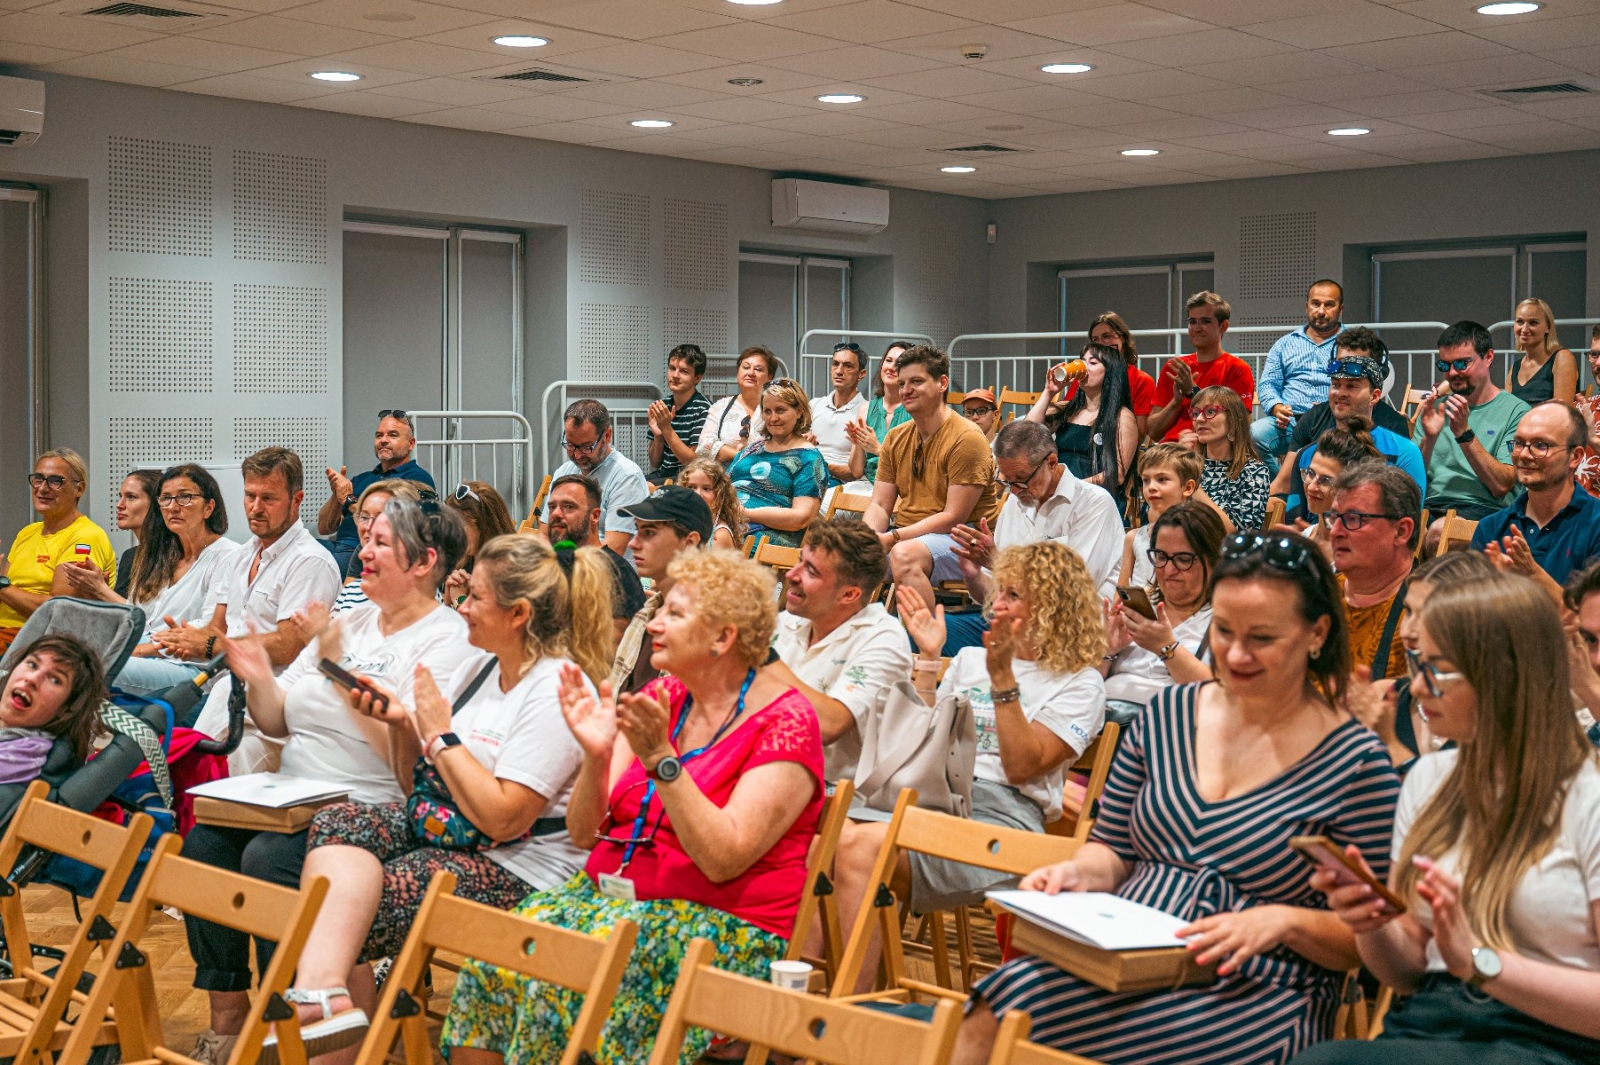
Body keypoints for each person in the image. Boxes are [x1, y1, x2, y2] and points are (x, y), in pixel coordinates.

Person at [949, 529, 1401, 1065]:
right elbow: (1111, 848)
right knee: (1004, 996)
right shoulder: (1168, 716)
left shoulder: (1354, 761)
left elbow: (1369, 937)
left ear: (1316, 634)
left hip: (1256, 985)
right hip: (1128, 956)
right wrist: (1080, 873)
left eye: (1261, 639)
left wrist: (1287, 921)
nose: (1235, 655)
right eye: (1225, 632)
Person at [441, 550, 823, 1065]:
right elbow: (583, 835)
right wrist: (596, 759)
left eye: (674, 614)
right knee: (496, 959)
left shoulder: (787, 721)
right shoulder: (664, 693)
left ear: (723, 637)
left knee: (566, 977)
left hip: (717, 927)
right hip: (611, 900)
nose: (656, 623)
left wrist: (663, 761)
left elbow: (723, 857)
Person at [269, 535, 615, 1059]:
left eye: (475, 597)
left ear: (518, 613)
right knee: (342, 822)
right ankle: (324, 993)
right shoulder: (481, 667)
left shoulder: (555, 688)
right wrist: (403, 728)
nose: (462, 607)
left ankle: (342, 1040)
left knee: (353, 908)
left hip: (522, 865)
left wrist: (438, 737)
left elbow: (503, 820)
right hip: (458, 829)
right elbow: (419, 788)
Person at [185, 496, 476, 1064]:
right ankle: (230, 1016)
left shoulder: (447, 640)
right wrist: (258, 675)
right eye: (366, 537)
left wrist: (339, 667)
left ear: (423, 563)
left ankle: (300, 1022)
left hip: (372, 806)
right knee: (204, 844)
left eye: (380, 543)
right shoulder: (349, 621)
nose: (362, 550)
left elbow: (410, 749)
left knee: (268, 859)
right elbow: (277, 718)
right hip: (292, 795)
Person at [1294, 573, 1600, 1065]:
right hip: (1436, 1022)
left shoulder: (1589, 795)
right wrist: (1371, 923)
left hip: (1552, 1041)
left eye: (1437, 670)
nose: (1417, 686)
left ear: (1502, 675)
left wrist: (1480, 963)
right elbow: (1409, 969)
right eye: (1419, 665)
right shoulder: (1430, 778)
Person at [832, 541, 1106, 992]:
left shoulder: (1080, 681)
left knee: (859, 849)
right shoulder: (969, 659)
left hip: (1006, 821)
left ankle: (839, 1023)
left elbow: (1022, 768)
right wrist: (927, 657)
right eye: (998, 591)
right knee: (822, 836)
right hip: (937, 798)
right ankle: (816, 1003)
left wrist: (1003, 681)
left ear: (1053, 604)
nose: (995, 603)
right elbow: (921, 742)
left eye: (1013, 595)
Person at [187, 449, 342, 756]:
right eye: (249, 496)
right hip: (221, 686)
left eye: (268, 498)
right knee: (149, 723)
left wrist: (209, 646)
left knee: (178, 747)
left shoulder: (310, 561)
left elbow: (288, 645)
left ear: (296, 501)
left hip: (270, 703)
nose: (255, 508)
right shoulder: (243, 555)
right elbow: (221, 629)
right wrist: (183, 638)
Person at [768, 517, 910, 782]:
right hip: (764, 767)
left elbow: (829, 724)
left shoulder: (883, 638)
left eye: (810, 571)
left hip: (835, 792)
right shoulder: (787, 622)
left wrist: (759, 657)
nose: (791, 574)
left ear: (849, 595)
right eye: (799, 560)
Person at [863, 345, 1003, 610]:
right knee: (842, 556)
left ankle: (925, 645)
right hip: (909, 534)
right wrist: (867, 539)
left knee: (904, 555)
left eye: (917, 381)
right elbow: (880, 505)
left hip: (964, 540)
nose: (906, 390)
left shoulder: (967, 438)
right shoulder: (896, 437)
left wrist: (893, 539)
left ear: (942, 383)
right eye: (902, 383)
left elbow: (953, 517)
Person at [84, 465, 240, 695]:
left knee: (94, 667)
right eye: (166, 499)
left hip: (191, 668)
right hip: (148, 656)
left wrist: (134, 650)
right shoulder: (160, 555)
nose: (173, 507)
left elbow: (210, 630)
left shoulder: (228, 555)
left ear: (209, 507)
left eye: (185, 497)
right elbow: (138, 616)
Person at [1346, 551, 1495, 773]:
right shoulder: (1381, 697)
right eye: (1408, 611)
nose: (1407, 631)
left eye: (1426, 614)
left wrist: (1392, 746)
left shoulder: (1495, 715)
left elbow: (1447, 802)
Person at [1271, 330, 1426, 515]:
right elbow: (1297, 520)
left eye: (1352, 386)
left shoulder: (1404, 452)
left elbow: (1408, 522)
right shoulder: (1308, 454)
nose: (1340, 393)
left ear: (1374, 396)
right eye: (1335, 384)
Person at [1101, 502, 1223, 715]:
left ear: (1213, 560)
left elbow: (1223, 698)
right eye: (1161, 557)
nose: (1168, 570)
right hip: (1103, 720)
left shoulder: (1226, 619)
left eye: (1183, 559)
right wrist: (1107, 651)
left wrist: (1166, 648)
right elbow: (1084, 689)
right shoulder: (1137, 607)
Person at [1471, 400, 1600, 594]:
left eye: (1541, 445)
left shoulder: (1595, 524)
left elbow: (1590, 620)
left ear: (1575, 457)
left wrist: (1533, 575)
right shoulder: (1490, 528)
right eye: (1519, 443)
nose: (1524, 454)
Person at [0, 449, 116, 652]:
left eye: (55, 481)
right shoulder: (27, 533)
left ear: (79, 488)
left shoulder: (85, 536)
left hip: (39, 641)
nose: (43, 489)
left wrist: (3, 588)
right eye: (38, 479)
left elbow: (57, 610)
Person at [1414, 320, 1530, 523]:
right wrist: (1429, 439)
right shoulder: (1434, 411)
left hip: (1486, 510)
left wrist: (1464, 433)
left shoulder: (1517, 412)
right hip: (1430, 506)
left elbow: (1501, 486)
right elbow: (1410, 482)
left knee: (1438, 533)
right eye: (1444, 365)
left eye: (1461, 363)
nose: (1451, 373)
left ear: (1488, 357)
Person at [607, 486, 713, 694]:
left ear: (690, 542)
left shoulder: (708, 624)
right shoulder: (646, 612)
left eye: (648, 533)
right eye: (637, 531)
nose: (633, 544)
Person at [0, 634, 110, 825]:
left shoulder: (28, 752)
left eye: (55, 680)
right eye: (33, 664)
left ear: (67, 708)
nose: (32, 679)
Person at [1327, 463, 1421, 684]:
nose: (1335, 532)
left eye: (1353, 519)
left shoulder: (1427, 614)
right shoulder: (1317, 594)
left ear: (1401, 531)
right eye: (1333, 517)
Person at [318, 411, 435, 576]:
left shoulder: (417, 478)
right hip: (336, 546)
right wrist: (336, 495)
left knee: (306, 565)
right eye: (379, 435)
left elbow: (394, 524)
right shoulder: (361, 479)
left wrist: (348, 499)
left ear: (411, 444)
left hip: (366, 552)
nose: (384, 440)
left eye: (393, 435)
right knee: (284, 550)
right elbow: (324, 528)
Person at [1026, 345, 1139, 505]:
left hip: (1095, 499)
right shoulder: (1068, 409)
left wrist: (1072, 485)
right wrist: (1049, 392)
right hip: (1059, 496)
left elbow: (1117, 474)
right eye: (1083, 361)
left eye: (1092, 363)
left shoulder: (1122, 416)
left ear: (1110, 371)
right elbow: (1027, 433)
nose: (1085, 367)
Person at [1252, 280, 1346, 465]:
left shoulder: (1352, 344)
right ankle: (1279, 489)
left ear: (1340, 309)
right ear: (1306, 306)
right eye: (1315, 303)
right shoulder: (1285, 344)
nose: (1321, 311)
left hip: (1333, 421)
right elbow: (1268, 384)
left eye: (1329, 305)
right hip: (1288, 422)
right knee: (1254, 435)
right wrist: (1276, 407)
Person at [543, 475, 646, 643]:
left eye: (568, 507)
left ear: (595, 516)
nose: (556, 514)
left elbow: (614, 650)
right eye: (552, 507)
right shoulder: (548, 567)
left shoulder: (616, 572)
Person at [728, 378, 828, 549]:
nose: (773, 418)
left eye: (780, 410)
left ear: (799, 411)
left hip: (766, 536)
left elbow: (800, 518)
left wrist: (743, 514)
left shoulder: (809, 459)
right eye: (767, 411)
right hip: (726, 523)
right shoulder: (752, 449)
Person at [542, 399, 649, 559]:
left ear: (607, 436)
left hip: (608, 573)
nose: (577, 455)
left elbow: (613, 549)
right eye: (570, 445)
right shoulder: (563, 472)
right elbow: (543, 535)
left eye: (586, 447)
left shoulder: (626, 477)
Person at [1147, 291, 1255, 443]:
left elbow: (1238, 425)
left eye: (1205, 321)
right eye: (1192, 322)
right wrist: (1176, 401)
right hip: (1171, 452)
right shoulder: (1174, 368)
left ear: (1223, 326)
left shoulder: (1237, 368)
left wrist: (1193, 392)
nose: (1197, 328)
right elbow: (1153, 432)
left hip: (1211, 452)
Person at [1058, 313, 1156, 441]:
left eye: (1107, 336)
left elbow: (1140, 433)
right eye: (1095, 339)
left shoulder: (1142, 380)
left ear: (1123, 338)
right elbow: (1065, 413)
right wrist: (1050, 392)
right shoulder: (1086, 376)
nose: (1100, 343)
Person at [1119, 443, 1205, 590]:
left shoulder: (1200, 536)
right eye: (1146, 480)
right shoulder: (1133, 538)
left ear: (1188, 488)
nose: (1151, 487)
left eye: (1162, 479)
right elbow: (1122, 591)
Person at [1187, 386, 1273, 532]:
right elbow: (1154, 517)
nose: (1200, 419)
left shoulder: (1254, 471)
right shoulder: (1191, 466)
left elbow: (1239, 531)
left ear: (1233, 421)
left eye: (1210, 412)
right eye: (1195, 413)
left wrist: (1192, 486)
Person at [332, 480, 423, 616]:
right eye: (364, 517)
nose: (368, 527)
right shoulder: (351, 591)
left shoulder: (421, 594)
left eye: (381, 518)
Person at [1294, 422, 1382, 554]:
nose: (1311, 487)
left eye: (1325, 480)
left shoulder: (1359, 551)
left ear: (1354, 486)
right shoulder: (1303, 539)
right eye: (1311, 473)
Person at [844, 340, 913, 485]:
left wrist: (877, 449)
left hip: (902, 487)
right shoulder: (866, 408)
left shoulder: (915, 411)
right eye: (888, 361)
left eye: (899, 363)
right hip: (868, 483)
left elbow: (914, 469)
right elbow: (856, 472)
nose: (891, 367)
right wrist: (858, 444)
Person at [646, 343, 712, 485]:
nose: (675, 375)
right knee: (633, 484)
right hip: (665, 473)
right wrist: (658, 436)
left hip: (689, 477)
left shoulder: (704, 409)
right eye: (672, 368)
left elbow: (692, 462)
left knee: (647, 488)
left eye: (684, 371)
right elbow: (655, 462)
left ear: (697, 378)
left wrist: (667, 429)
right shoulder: (663, 405)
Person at [697, 347, 777, 464]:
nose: (751, 373)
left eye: (758, 369)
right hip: (724, 477)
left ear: (770, 377)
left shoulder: (778, 409)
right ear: (738, 373)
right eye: (745, 367)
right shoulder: (720, 407)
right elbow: (704, 445)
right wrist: (741, 456)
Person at [442, 481, 516, 605]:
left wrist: (458, 600)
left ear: (484, 525)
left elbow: (487, 622)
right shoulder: (464, 561)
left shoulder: (507, 568)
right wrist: (447, 601)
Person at [809, 342, 869, 486]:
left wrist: (819, 464)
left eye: (848, 366)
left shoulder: (866, 410)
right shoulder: (815, 405)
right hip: (809, 473)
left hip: (838, 482)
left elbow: (854, 473)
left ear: (861, 374)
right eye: (835, 364)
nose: (839, 371)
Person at [1507, 296, 1578, 406]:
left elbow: (1562, 411)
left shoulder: (1562, 358)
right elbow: (1507, 413)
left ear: (1548, 327)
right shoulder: (1514, 368)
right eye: (1520, 322)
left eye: (1533, 323)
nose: (1524, 329)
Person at [111, 469, 160, 599]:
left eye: (131, 497)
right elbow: (122, 613)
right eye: (120, 496)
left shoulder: (171, 556)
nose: (119, 505)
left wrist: (100, 589)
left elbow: (143, 614)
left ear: (156, 504)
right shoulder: (129, 557)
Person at [679, 458, 744, 551]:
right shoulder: (682, 525)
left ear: (720, 494)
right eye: (691, 487)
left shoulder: (720, 535)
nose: (697, 494)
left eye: (706, 489)